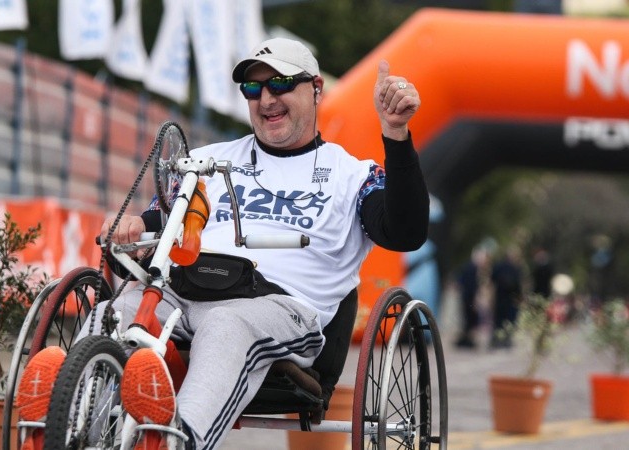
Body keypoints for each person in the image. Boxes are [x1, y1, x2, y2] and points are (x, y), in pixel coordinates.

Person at [79, 38, 428, 450]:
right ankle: (77, 429)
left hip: (281, 309)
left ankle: (176, 442)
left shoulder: (352, 175)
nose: (266, 99)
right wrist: (132, 230)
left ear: (315, 87)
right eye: (253, 89)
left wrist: (396, 134)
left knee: (227, 325)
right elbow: (152, 232)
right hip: (183, 291)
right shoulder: (207, 160)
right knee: (112, 315)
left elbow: (406, 232)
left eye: (280, 84)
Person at [489, 245, 524, 349]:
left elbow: (492, 282)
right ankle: (503, 339)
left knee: (501, 320)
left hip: (503, 298)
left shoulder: (500, 267)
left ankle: (500, 339)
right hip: (507, 299)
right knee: (506, 320)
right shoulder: (515, 268)